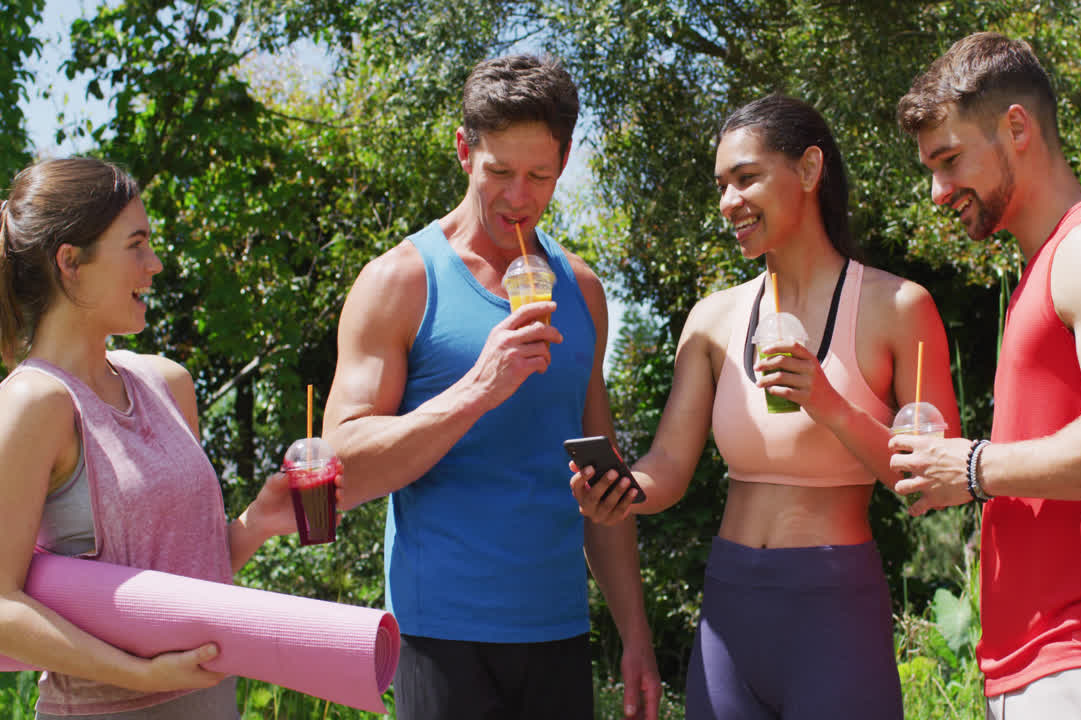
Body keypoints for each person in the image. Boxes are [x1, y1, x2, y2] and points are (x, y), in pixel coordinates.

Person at [573, 94, 962, 720]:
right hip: (729, 610)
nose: (729, 202)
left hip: (834, 613)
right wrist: (621, 490)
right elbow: (668, 466)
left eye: (746, 177)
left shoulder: (900, 308)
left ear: (809, 171)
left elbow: (936, 484)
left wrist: (828, 402)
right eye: (722, 185)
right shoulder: (711, 320)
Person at [321, 54, 661, 720]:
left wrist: (636, 634)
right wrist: (479, 386)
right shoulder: (398, 283)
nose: (518, 196)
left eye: (539, 175)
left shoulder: (583, 290)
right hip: (439, 632)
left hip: (560, 628)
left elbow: (604, 479)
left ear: (564, 161)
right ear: (462, 150)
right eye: (499, 172)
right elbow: (343, 473)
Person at [891, 32, 1081, 719]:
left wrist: (971, 468)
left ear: (1016, 128)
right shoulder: (1043, 270)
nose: (938, 193)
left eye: (950, 159)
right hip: (1041, 666)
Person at [0, 157, 320, 718]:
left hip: (216, 702)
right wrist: (138, 674)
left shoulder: (168, 384)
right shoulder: (34, 404)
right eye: (136, 244)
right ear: (70, 262)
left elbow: (183, 577)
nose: (155, 264)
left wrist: (258, 522)